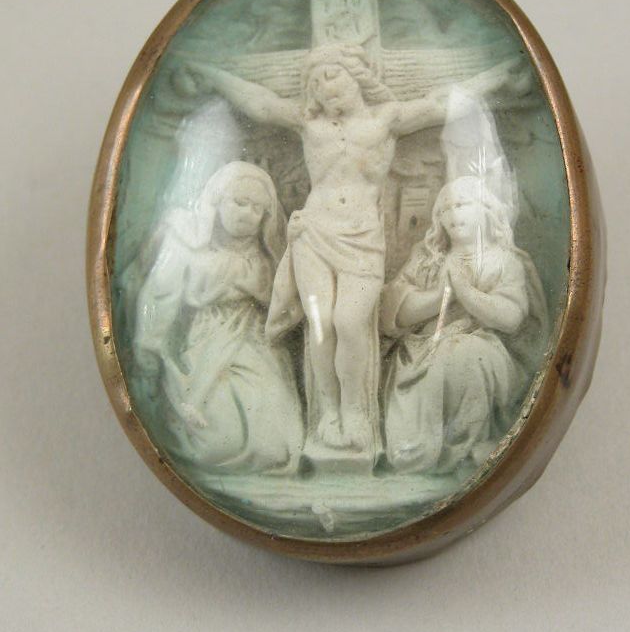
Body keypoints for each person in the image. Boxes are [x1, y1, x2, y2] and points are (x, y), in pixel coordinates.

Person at [177, 44, 530, 462]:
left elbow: (441, 103)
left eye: (332, 76)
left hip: (362, 237)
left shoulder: (386, 119)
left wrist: (498, 77)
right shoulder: (308, 123)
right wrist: (210, 75)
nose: (324, 88)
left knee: (350, 320)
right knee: (321, 323)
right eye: (315, 82)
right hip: (314, 232)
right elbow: (261, 103)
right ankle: (329, 414)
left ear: (356, 76)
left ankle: (356, 412)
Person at [134, 161, 304, 474]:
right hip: (204, 339)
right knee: (215, 441)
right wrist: (149, 349)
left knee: (274, 438)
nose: (247, 214)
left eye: (257, 209)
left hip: (255, 343)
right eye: (239, 202)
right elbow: (160, 298)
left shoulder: (268, 258)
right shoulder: (188, 244)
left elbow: (289, 307)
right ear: (217, 202)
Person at [379, 176, 548, 474]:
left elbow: (510, 318)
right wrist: (440, 296)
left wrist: (466, 292)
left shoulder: (504, 260)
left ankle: (466, 448)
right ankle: (418, 449)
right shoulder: (428, 258)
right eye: (445, 209)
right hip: (420, 350)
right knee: (428, 361)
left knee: (466, 355)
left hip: (480, 345)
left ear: (486, 209)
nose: (453, 214)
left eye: (462, 204)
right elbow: (395, 312)